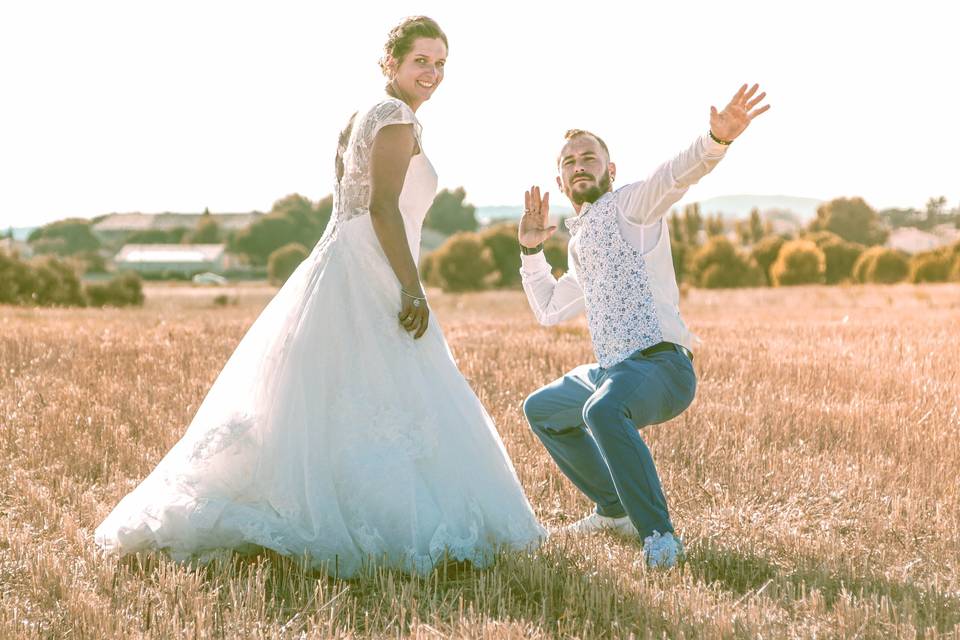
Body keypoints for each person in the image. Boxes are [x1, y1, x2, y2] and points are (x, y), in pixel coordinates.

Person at [95, 16, 545, 577]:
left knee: (337, 395)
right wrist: (411, 286)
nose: (431, 73)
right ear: (391, 63)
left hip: (341, 262)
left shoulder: (362, 117)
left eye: (440, 64)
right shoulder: (396, 118)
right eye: (420, 61)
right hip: (371, 268)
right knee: (383, 391)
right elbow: (381, 209)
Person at [518, 84, 769, 568]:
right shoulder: (578, 243)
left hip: (662, 366)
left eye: (588, 157)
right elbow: (549, 309)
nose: (579, 166)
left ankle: (659, 537)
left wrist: (715, 141)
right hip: (612, 371)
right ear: (561, 180)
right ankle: (614, 510)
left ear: (610, 170)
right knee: (543, 409)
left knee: (603, 412)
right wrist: (531, 251)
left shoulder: (632, 206)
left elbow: (674, 177)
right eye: (569, 162)